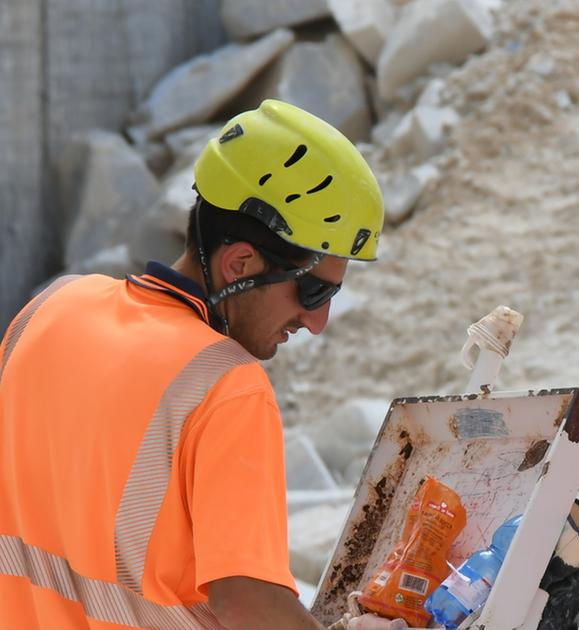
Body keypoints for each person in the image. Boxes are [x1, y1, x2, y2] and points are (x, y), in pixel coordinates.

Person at [0, 100, 401, 629]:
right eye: (312, 290)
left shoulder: (50, 307)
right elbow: (247, 601)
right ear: (241, 263)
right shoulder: (225, 386)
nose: (318, 320)